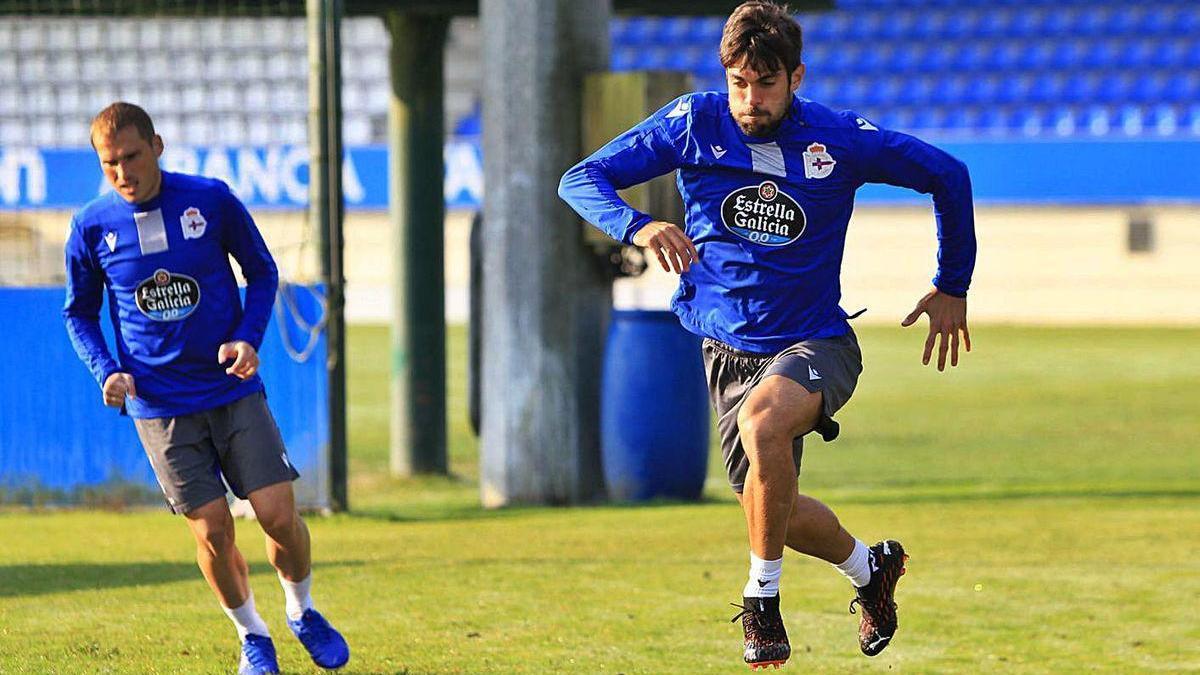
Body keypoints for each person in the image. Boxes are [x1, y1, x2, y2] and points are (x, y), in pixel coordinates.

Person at [559, 1, 975, 667]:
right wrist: (638, 225)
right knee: (767, 505)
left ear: (796, 77)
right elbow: (581, 178)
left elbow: (948, 175)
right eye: (739, 82)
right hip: (726, 348)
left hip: (816, 342)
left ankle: (761, 602)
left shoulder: (838, 140)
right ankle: (872, 570)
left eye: (766, 83)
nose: (750, 99)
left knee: (763, 425)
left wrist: (952, 282)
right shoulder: (694, 122)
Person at [63, 102, 350, 675]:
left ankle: (302, 610)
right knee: (213, 531)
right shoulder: (91, 225)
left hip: (231, 389)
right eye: (110, 162)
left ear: (158, 146)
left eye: (132, 156)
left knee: (276, 515)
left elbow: (262, 271)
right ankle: (253, 638)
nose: (123, 172)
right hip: (160, 406)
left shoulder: (210, 199)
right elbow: (79, 313)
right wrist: (106, 369)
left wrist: (248, 337)